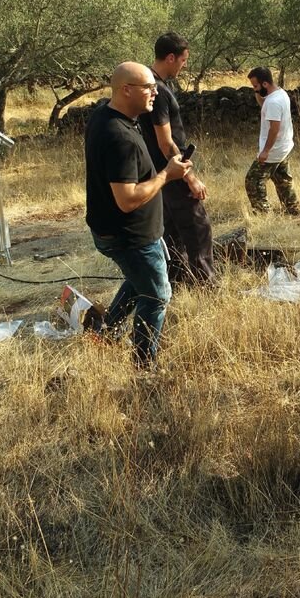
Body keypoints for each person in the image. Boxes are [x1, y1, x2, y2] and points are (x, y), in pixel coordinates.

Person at [84, 61, 190, 368]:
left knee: (139, 280)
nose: (156, 92)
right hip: (129, 235)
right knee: (156, 296)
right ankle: (144, 365)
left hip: (125, 231)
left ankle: (108, 332)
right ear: (126, 90)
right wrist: (166, 175)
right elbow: (127, 200)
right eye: (149, 87)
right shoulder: (119, 137)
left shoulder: (105, 115)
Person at [140, 32, 214, 285]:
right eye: (183, 60)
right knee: (197, 227)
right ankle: (207, 284)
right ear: (170, 57)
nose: (184, 65)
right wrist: (190, 178)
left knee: (171, 231)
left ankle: (177, 282)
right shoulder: (157, 90)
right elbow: (165, 142)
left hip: (159, 173)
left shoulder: (148, 85)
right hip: (171, 170)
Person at [244, 66, 299, 215]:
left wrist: (265, 151)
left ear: (265, 84)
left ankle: (263, 214)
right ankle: (293, 210)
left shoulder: (274, 102)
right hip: (284, 147)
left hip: (273, 151)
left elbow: (274, 128)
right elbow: (264, 105)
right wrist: (257, 92)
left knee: (253, 181)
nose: (254, 89)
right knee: (283, 181)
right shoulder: (280, 94)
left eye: (256, 86)